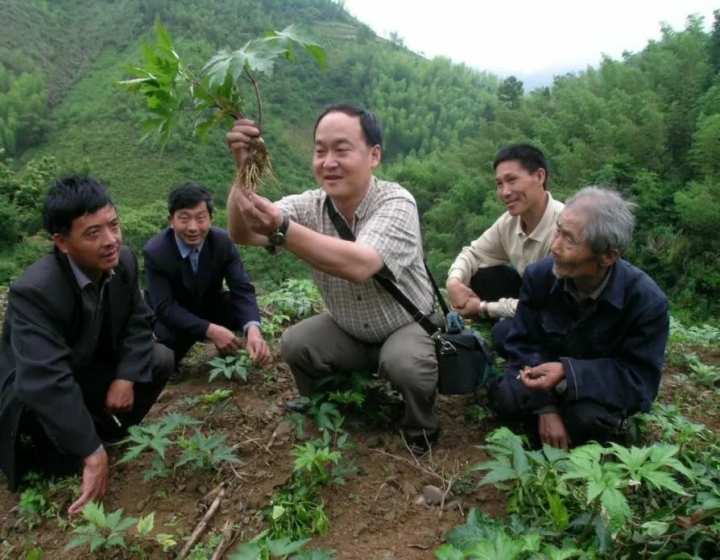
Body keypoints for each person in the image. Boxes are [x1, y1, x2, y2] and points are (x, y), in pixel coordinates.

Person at [225, 104, 438, 451]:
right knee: (296, 343)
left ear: (374, 155)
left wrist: (283, 229)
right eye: (320, 151)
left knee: (406, 364)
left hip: (405, 324)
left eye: (341, 149)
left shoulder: (398, 203)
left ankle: (420, 427)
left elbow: (360, 265)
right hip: (350, 329)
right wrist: (243, 169)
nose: (328, 161)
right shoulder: (310, 205)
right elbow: (242, 232)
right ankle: (325, 404)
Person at [0, 176, 174, 514]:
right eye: (92, 233)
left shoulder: (122, 261)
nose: (110, 240)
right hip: (32, 388)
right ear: (62, 243)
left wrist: (125, 376)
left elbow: (139, 321)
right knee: (39, 410)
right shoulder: (34, 292)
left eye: (113, 225)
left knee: (159, 359)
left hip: (84, 366)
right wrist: (91, 454)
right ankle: (72, 452)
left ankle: (105, 436)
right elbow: (47, 380)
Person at [490, 187, 669, 449]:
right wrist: (545, 407)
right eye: (558, 230)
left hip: (591, 388)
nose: (554, 247)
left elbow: (640, 381)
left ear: (608, 256)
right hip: (544, 371)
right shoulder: (540, 276)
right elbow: (523, 343)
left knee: (587, 420)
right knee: (507, 398)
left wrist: (568, 373)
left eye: (569, 240)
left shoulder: (645, 302)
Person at [446, 144, 564, 355]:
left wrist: (482, 309)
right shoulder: (510, 222)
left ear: (539, 176)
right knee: (483, 275)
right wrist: (454, 281)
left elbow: (546, 305)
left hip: (558, 313)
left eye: (512, 180)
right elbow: (472, 254)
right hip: (531, 295)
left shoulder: (563, 228)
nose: (505, 192)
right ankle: (511, 322)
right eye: (499, 184)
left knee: (504, 334)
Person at [143, 182, 270, 377]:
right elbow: (165, 307)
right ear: (171, 220)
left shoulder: (223, 242)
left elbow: (242, 289)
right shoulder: (156, 252)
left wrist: (253, 329)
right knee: (166, 349)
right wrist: (211, 330)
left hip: (209, 303)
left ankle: (248, 341)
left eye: (200, 218)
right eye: (184, 219)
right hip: (174, 315)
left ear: (211, 219)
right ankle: (173, 365)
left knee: (244, 314)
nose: (193, 227)